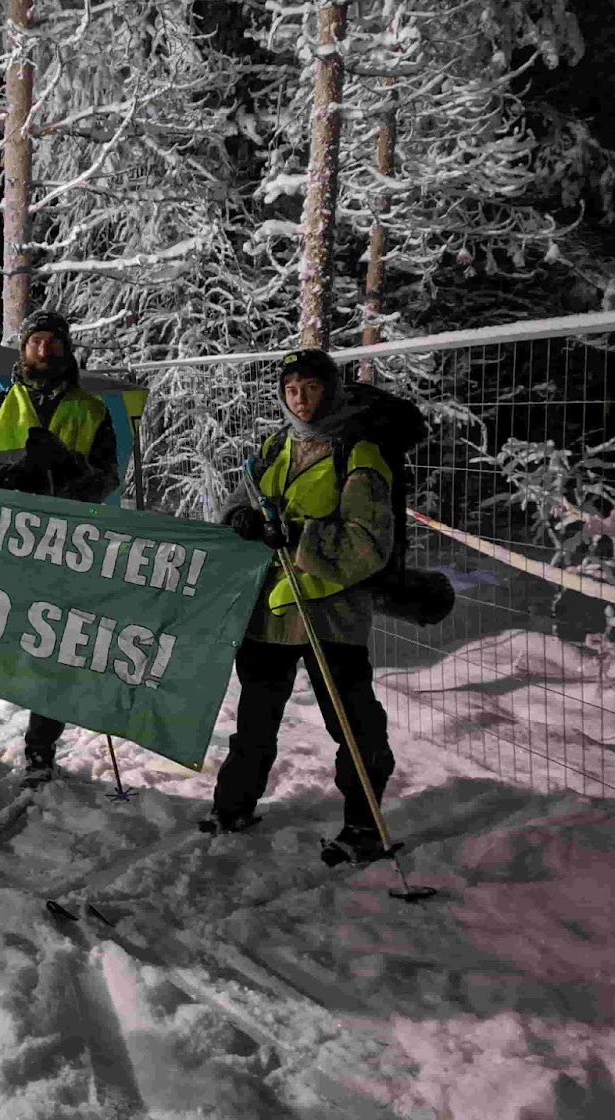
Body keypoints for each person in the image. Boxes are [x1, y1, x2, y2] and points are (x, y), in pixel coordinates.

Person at [209, 347, 397, 862]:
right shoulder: (273, 448)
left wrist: (299, 535)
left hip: (329, 615)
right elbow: (237, 505)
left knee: (352, 723)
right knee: (255, 717)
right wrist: (240, 523)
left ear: (330, 390)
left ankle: (364, 824)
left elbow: (368, 543)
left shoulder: (358, 455)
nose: (302, 398)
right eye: (292, 389)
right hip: (271, 612)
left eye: (311, 387)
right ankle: (233, 805)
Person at [0, 310, 120, 784]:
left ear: (65, 350)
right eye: (35, 342)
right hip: (1, 544)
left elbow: (106, 481)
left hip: (63, 550)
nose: (44, 350)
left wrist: (66, 467)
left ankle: (40, 749)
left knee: (53, 647)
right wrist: (0, 475)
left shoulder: (92, 409)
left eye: (53, 342)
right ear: (22, 350)